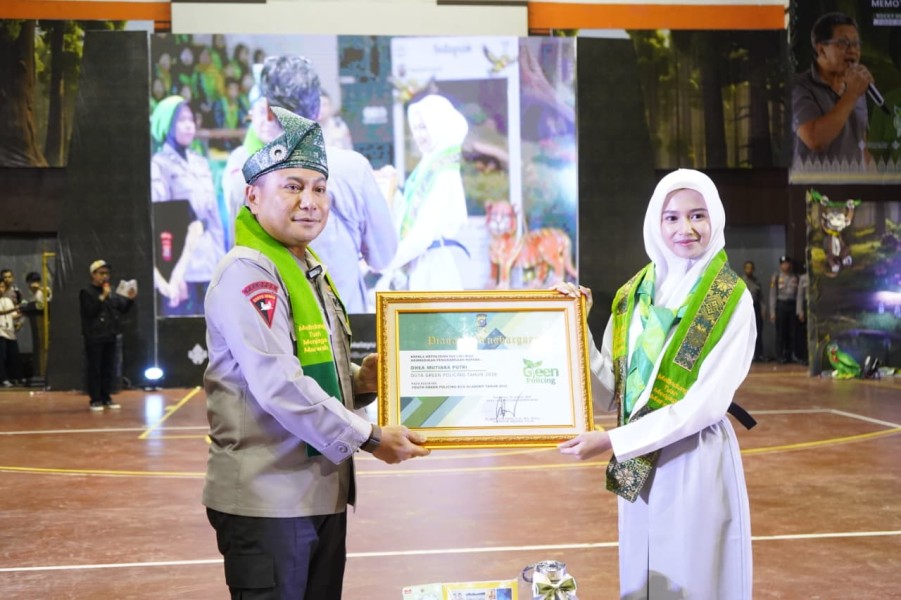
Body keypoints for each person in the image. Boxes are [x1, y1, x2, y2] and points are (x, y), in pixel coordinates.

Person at [203, 106, 430, 600]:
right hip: (270, 500)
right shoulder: (249, 271)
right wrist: (370, 437)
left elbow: (310, 367)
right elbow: (279, 384)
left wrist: (362, 381)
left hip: (317, 494)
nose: (309, 202)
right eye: (293, 186)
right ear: (253, 195)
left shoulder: (306, 269)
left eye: (320, 189)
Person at [556, 169, 755, 599]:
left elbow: (705, 404)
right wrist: (577, 325)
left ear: (715, 218)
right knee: (644, 576)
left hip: (694, 458)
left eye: (698, 215)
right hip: (639, 460)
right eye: (672, 217)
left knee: (694, 577)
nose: (686, 228)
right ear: (655, 223)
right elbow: (612, 392)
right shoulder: (632, 296)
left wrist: (613, 441)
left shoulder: (730, 297)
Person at [222, 55, 397, 314]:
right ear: (317, 110)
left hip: (270, 329)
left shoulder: (244, 179)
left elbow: (238, 262)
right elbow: (383, 255)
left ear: (267, 111)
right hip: (343, 331)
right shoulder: (352, 169)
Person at [379, 94, 470, 291]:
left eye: (424, 127)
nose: (419, 135)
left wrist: (387, 262)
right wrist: (390, 187)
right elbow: (408, 216)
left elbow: (423, 234)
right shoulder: (429, 165)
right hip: (421, 262)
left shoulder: (443, 173)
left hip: (433, 268)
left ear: (439, 126)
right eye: (416, 128)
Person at [151, 95, 226, 316]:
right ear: (166, 124)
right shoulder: (159, 165)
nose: (188, 125)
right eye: (181, 120)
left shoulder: (200, 163)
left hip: (209, 266)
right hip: (183, 269)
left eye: (191, 120)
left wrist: (222, 267)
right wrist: (172, 275)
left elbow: (214, 220)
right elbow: (162, 223)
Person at [792, 12, 873, 168]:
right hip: (816, 183)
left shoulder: (855, 87)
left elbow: (862, 145)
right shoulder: (800, 87)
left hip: (854, 182)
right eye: (843, 43)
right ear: (821, 50)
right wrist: (851, 95)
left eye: (856, 44)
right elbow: (815, 139)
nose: (853, 50)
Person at [79, 260, 136, 411]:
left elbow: (121, 308)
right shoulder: (86, 292)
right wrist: (103, 296)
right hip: (94, 336)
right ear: (93, 275)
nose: (105, 276)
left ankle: (106, 397)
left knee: (108, 368)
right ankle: (95, 399)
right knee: (95, 368)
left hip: (110, 334)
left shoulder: (111, 292)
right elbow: (90, 311)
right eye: (101, 273)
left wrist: (130, 300)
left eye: (107, 273)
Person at [769, 255, 800, 364]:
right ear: (780, 265)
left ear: (790, 264)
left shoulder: (795, 277)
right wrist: (772, 312)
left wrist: (799, 310)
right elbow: (772, 295)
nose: (785, 265)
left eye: (787, 263)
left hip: (792, 305)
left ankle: (791, 355)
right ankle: (779, 356)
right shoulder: (776, 277)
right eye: (783, 263)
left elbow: (799, 295)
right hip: (781, 305)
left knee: (793, 332)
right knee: (781, 332)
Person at [740, 260, 766, 361]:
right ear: (744, 269)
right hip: (745, 309)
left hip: (756, 308)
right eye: (747, 268)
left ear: (753, 269)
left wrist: (763, 310)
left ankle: (758, 354)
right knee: (746, 333)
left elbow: (761, 297)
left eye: (751, 268)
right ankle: (746, 356)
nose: (749, 270)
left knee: (757, 332)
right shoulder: (741, 282)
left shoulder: (757, 282)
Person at [0, 279, 23, 387]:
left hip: (10, 332)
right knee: (1, 357)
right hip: (0, 332)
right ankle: (3, 379)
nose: (1, 289)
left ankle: (16, 377)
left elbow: (13, 315)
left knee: (13, 356)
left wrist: (22, 311)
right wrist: (13, 309)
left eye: (2, 287)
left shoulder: (8, 300)